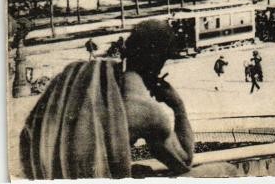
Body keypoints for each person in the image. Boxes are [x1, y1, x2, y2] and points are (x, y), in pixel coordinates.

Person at [20, 20, 194, 179]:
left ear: (127, 49)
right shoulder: (150, 113)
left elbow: (31, 131)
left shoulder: (79, 72)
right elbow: (183, 161)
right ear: (160, 62)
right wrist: (178, 107)